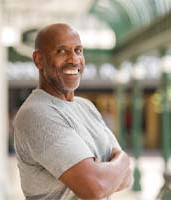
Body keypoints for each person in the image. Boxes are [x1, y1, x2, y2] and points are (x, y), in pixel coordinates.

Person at [13, 23, 132, 200]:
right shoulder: (37, 114)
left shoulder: (86, 107)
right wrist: (123, 160)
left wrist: (107, 172)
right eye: (61, 51)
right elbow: (96, 188)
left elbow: (127, 179)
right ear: (39, 60)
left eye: (78, 50)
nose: (74, 59)